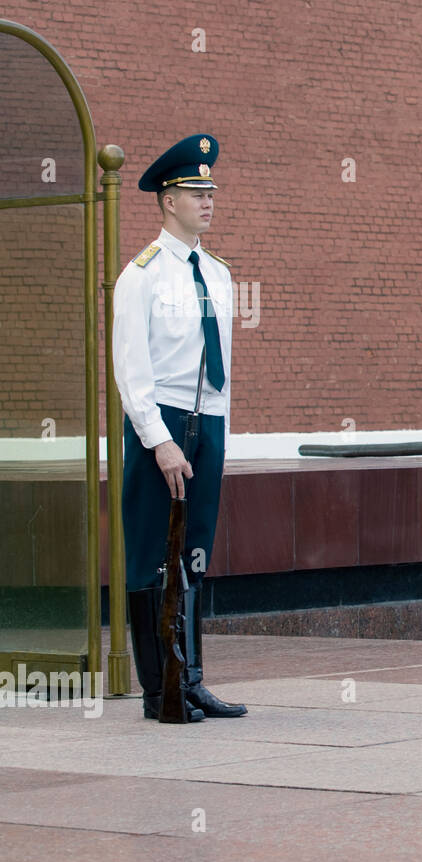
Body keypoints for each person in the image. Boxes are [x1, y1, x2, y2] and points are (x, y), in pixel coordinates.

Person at [112, 134, 246, 720]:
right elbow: (130, 366)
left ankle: (189, 680)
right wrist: (159, 439)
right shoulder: (140, 275)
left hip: (206, 421)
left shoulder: (217, 273)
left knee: (194, 552)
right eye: (196, 192)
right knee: (150, 555)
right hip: (159, 424)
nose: (208, 201)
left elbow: (222, 366)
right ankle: (156, 689)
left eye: (211, 191)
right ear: (168, 200)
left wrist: (215, 430)